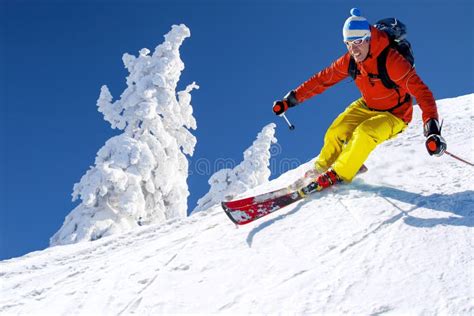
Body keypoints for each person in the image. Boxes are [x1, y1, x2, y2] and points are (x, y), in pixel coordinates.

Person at [272, 8, 447, 193]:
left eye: (357, 42)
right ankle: (321, 169)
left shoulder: (391, 61)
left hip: (395, 114)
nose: (353, 49)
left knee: (365, 132)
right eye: (348, 44)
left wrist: (432, 130)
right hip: (367, 105)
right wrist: (290, 100)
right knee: (336, 131)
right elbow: (322, 80)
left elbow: (423, 93)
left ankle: (339, 173)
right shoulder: (350, 61)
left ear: (369, 38)